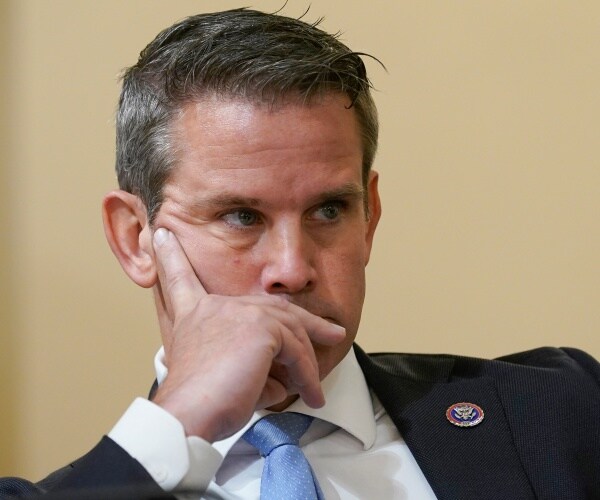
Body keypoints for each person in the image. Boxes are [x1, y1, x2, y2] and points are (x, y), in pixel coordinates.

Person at [2, 7, 599, 500]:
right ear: (136, 238)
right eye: (241, 217)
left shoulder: (559, 410)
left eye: (329, 210)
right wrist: (178, 419)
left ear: (370, 217)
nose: (292, 269)